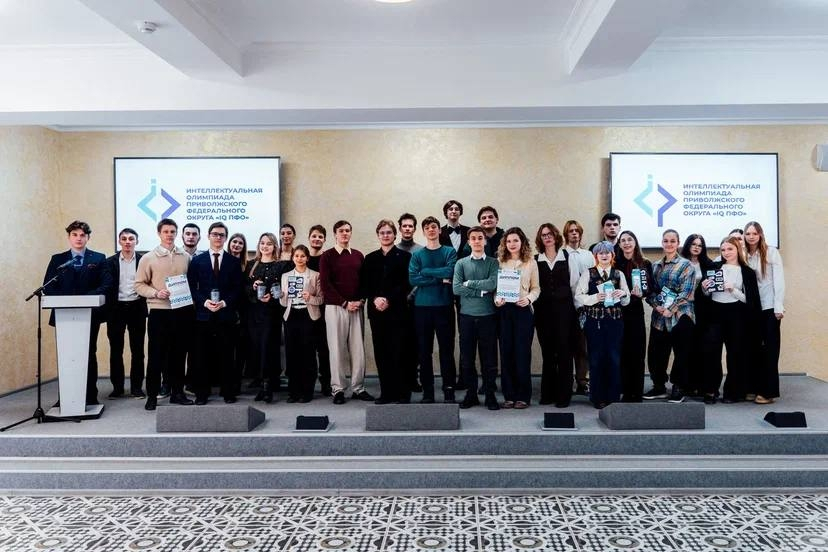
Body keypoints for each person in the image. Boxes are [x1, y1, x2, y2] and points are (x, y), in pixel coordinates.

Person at [43, 220, 113, 406]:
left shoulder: (98, 258)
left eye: (82, 235)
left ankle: (90, 396)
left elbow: (106, 283)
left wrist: (85, 298)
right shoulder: (58, 259)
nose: (78, 238)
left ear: (88, 237)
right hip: (63, 316)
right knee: (66, 356)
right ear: (69, 237)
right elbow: (48, 287)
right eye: (74, 235)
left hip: (90, 315)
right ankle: (65, 397)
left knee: (88, 354)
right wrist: (66, 301)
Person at [134, 218, 193, 411]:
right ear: (159, 233)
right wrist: (155, 293)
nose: (169, 234)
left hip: (182, 311)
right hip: (159, 312)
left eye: (172, 231)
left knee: (179, 355)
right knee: (156, 356)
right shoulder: (148, 258)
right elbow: (139, 285)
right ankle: (152, 396)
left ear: (177, 234)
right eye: (166, 231)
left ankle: (178, 393)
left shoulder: (186, 256)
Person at [700, 236, 761, 404]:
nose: (726, 252)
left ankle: (732, 391)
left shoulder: (747, 272)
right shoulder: (714, 267)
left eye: (730, 249)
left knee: (735, 354)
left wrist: (733, 290)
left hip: (736, 314)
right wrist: (704, 288)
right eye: (723, 250)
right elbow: (706, 295)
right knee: (711, 353)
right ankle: (710, 390)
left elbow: (750, 300)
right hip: (715, 313)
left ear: (738, 249)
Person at [319, 220, 374, 404]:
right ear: (335, 234)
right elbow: (326, 285)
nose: (345, 233)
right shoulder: (327, 256)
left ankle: (358, 388)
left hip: (356, 307)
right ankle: (338, 389)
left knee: (358, 350)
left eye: (348, 230)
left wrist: (361, 300)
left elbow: (364, 281)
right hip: (336, 308)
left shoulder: (358, 255)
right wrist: (344, 303)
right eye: (341, 231)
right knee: (336, 349)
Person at [187, 222, 242, 404]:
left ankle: (228, 392)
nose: (218, 237)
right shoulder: (197, 261)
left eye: (221, 235)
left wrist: (224, 303)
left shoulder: (233, 262)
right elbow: (192, 287)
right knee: (202, 355)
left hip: (226, 315)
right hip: (203, 315)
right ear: (208, 236)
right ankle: (202, 393)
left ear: (225, 238)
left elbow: (237, 289)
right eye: (215, 234)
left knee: (227, 355)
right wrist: (204, 302)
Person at [361, 220, 413, 404]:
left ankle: (403, 393)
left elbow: (407, 283)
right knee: (382, 353)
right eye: (382, 232)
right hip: (377, 311)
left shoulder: (405, 257)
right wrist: (375, 298)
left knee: (400, 351)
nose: (385, 235)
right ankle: (387, 393)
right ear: (378, 235)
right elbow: (365, 284)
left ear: (395, 235)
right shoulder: (370, 258)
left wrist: (388, 299)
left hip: (398, 311)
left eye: (389, 232)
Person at [574, 241, 630, 408]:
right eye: (600, 253)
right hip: (595, 322)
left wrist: (622, 293)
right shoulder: (588, 273)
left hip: (614, 322)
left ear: (612, 255)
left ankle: (613, 396)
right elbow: (578, 296)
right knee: (596, 358)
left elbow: (626, 300)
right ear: (596, 256)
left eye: (607, 253)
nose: (604, 255)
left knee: (614, 358)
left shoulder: (618, 274)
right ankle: (597, 397)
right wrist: (594, 298)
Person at [409, 216, 458, 403]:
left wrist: (426, 271)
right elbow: (413, 279)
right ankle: (428, 392)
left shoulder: (449, 252)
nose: (431, 230)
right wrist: (439, 279)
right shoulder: (417, 255)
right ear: (423, 232)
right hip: (422, 308)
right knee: (424, 352)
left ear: (439, 230)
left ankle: (449, 390)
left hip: (444, 307)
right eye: (427, 227)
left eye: (434, 227)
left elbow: (450, 271)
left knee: (447, 351)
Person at [644, 229, 696, 403]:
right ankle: (659, 386)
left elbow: (686, 292)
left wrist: (671, 308)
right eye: (666, 241)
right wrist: (656, 305)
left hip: (681, 316)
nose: (669, 244)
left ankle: (678, 387)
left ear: (678, 243)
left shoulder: (686, 265)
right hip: (659, 317)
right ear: (662, 243)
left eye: (673, 241)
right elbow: (650, 291)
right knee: (656, 354)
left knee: (681, 354)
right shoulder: (655, 266)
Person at [453, 226, 500, 410]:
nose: (477, 241)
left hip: (488, 316)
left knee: (489, 359)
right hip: (466, 317)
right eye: (473, 238)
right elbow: (456, 288)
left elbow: (493, 283)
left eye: (480, 237)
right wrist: (481, 292)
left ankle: (490, 395)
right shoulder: (461, 263)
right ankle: (471, 394)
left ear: (485, 241)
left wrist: (470, 284)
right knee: (467, 359)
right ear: (469, 242)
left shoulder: (493, 263)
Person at [533, 223, 579, 408]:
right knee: (548, 353)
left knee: (564, 353)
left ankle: (564, 395)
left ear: (556, 236)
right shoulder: (536, 260)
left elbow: (574, 285)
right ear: (540, 238)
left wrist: (577, 311)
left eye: (550, 234)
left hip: (565, 313)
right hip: (543, 314)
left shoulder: (567, 257)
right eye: (544, 235)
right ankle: (548, 393)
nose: (547, 237)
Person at [494, 227, 540, 409]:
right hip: (505, 311)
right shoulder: (499, 262)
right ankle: (509, 395)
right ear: (504, 244)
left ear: (522, 242)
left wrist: (528, 299)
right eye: (508, 241)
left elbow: (536, 288)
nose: (512, 244)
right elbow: (495, 288)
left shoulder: (531, 262)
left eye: (515, 240)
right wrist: (497, 299)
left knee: (522, 353)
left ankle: (523, 396)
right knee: (506, 353)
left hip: (523, 311)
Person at [744, 221, 785, 404]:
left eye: (754, 233)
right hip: (751, 309)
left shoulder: (771, 252)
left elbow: (779, 280)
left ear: (760, 234)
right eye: (748, 233)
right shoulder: (743, 254)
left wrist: (778, 305)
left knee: (769, 351)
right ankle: (753, 387)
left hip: (769, 307)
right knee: (753, 349)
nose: (751, 237)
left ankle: (768, 392)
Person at [105, 227, 147, 399]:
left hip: (137, 308)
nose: (128, 242)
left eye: (131, 239)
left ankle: (137, 388)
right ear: (119, 241)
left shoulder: (144, 260)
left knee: (138, 350)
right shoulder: (110, 262)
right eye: (124, 239)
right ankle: (118, 388)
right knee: (116, 350)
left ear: (137, 241)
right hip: (116, 309)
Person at [280, 245, 324, 403]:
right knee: (292, 353)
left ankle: (307, 391)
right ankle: (294, 391)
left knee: (308, 354)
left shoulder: (315, 275)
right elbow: (283, 303)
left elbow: (321, 299)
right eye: (297, 256)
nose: (299, 258)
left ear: (307, 258)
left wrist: (309, 297)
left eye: (302, 256)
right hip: (291, 315)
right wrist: (283, 295)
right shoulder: (286, 276)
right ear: (293, 258)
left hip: (308, 315)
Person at [615, 230, 653, 403]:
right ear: (619, 244)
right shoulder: (615, 263)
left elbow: (651, 287)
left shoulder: (644, 263)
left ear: (635, 242)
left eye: (629, 239)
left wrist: (642, 292)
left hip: (636, 312)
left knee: (637, 353)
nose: (626, 243)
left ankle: (636, 392)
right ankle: (625, 390)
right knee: (623, 352)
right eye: (623, 240)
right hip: (618, 312)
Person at [246, 233, 282, 403]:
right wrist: (253, 287)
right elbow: (244, 288)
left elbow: (282, 289)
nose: (265, 246)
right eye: (262, 243)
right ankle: (262, 383)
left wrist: (272, 296)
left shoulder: (280, 265)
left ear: (274, 246)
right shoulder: (251, 264)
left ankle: (269, 386)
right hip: (254, 313)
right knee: (257, 348)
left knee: (269, 348)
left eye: (269, 243)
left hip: (272, 313)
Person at [562, 219, 594, 395]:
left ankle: (582, 381)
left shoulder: (588, 255)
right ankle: (566, 382)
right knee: (567, 345)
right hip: (566, 305)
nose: (574, 233)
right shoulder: (561, 254)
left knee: (583, 345)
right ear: (566, 234)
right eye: (571, 231)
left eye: (577, 231)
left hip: (584, 305)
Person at [681, 233, 715, 396]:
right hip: (683, 309)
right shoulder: (680, 263)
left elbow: (712, 290)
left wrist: (705, 291)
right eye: (693, 244)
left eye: (700, 245)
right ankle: (688, 385)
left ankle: (702, 385)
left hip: (703, 311)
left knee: (702, 348)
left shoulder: (708, 264)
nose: (696, 247)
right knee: (687, 348)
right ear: (688, 245)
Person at [307, 224, 332, 397]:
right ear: (309, 238)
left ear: (324, 240)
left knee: (324, 348)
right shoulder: (303, 258)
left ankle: (326, 384)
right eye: (314, 236)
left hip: (324, 308)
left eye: (320, 237)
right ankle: (309, 384)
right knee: (308, 349)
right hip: (307, 309)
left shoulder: (327, 258)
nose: (317, 239)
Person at [226, 232, 249, 394]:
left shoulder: (247, 265)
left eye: (240, 243)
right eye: (234, 242)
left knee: (241, 349)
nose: (237, 245)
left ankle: (237, 382)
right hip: (227, 309)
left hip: (244, 311)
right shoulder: (223, 262)